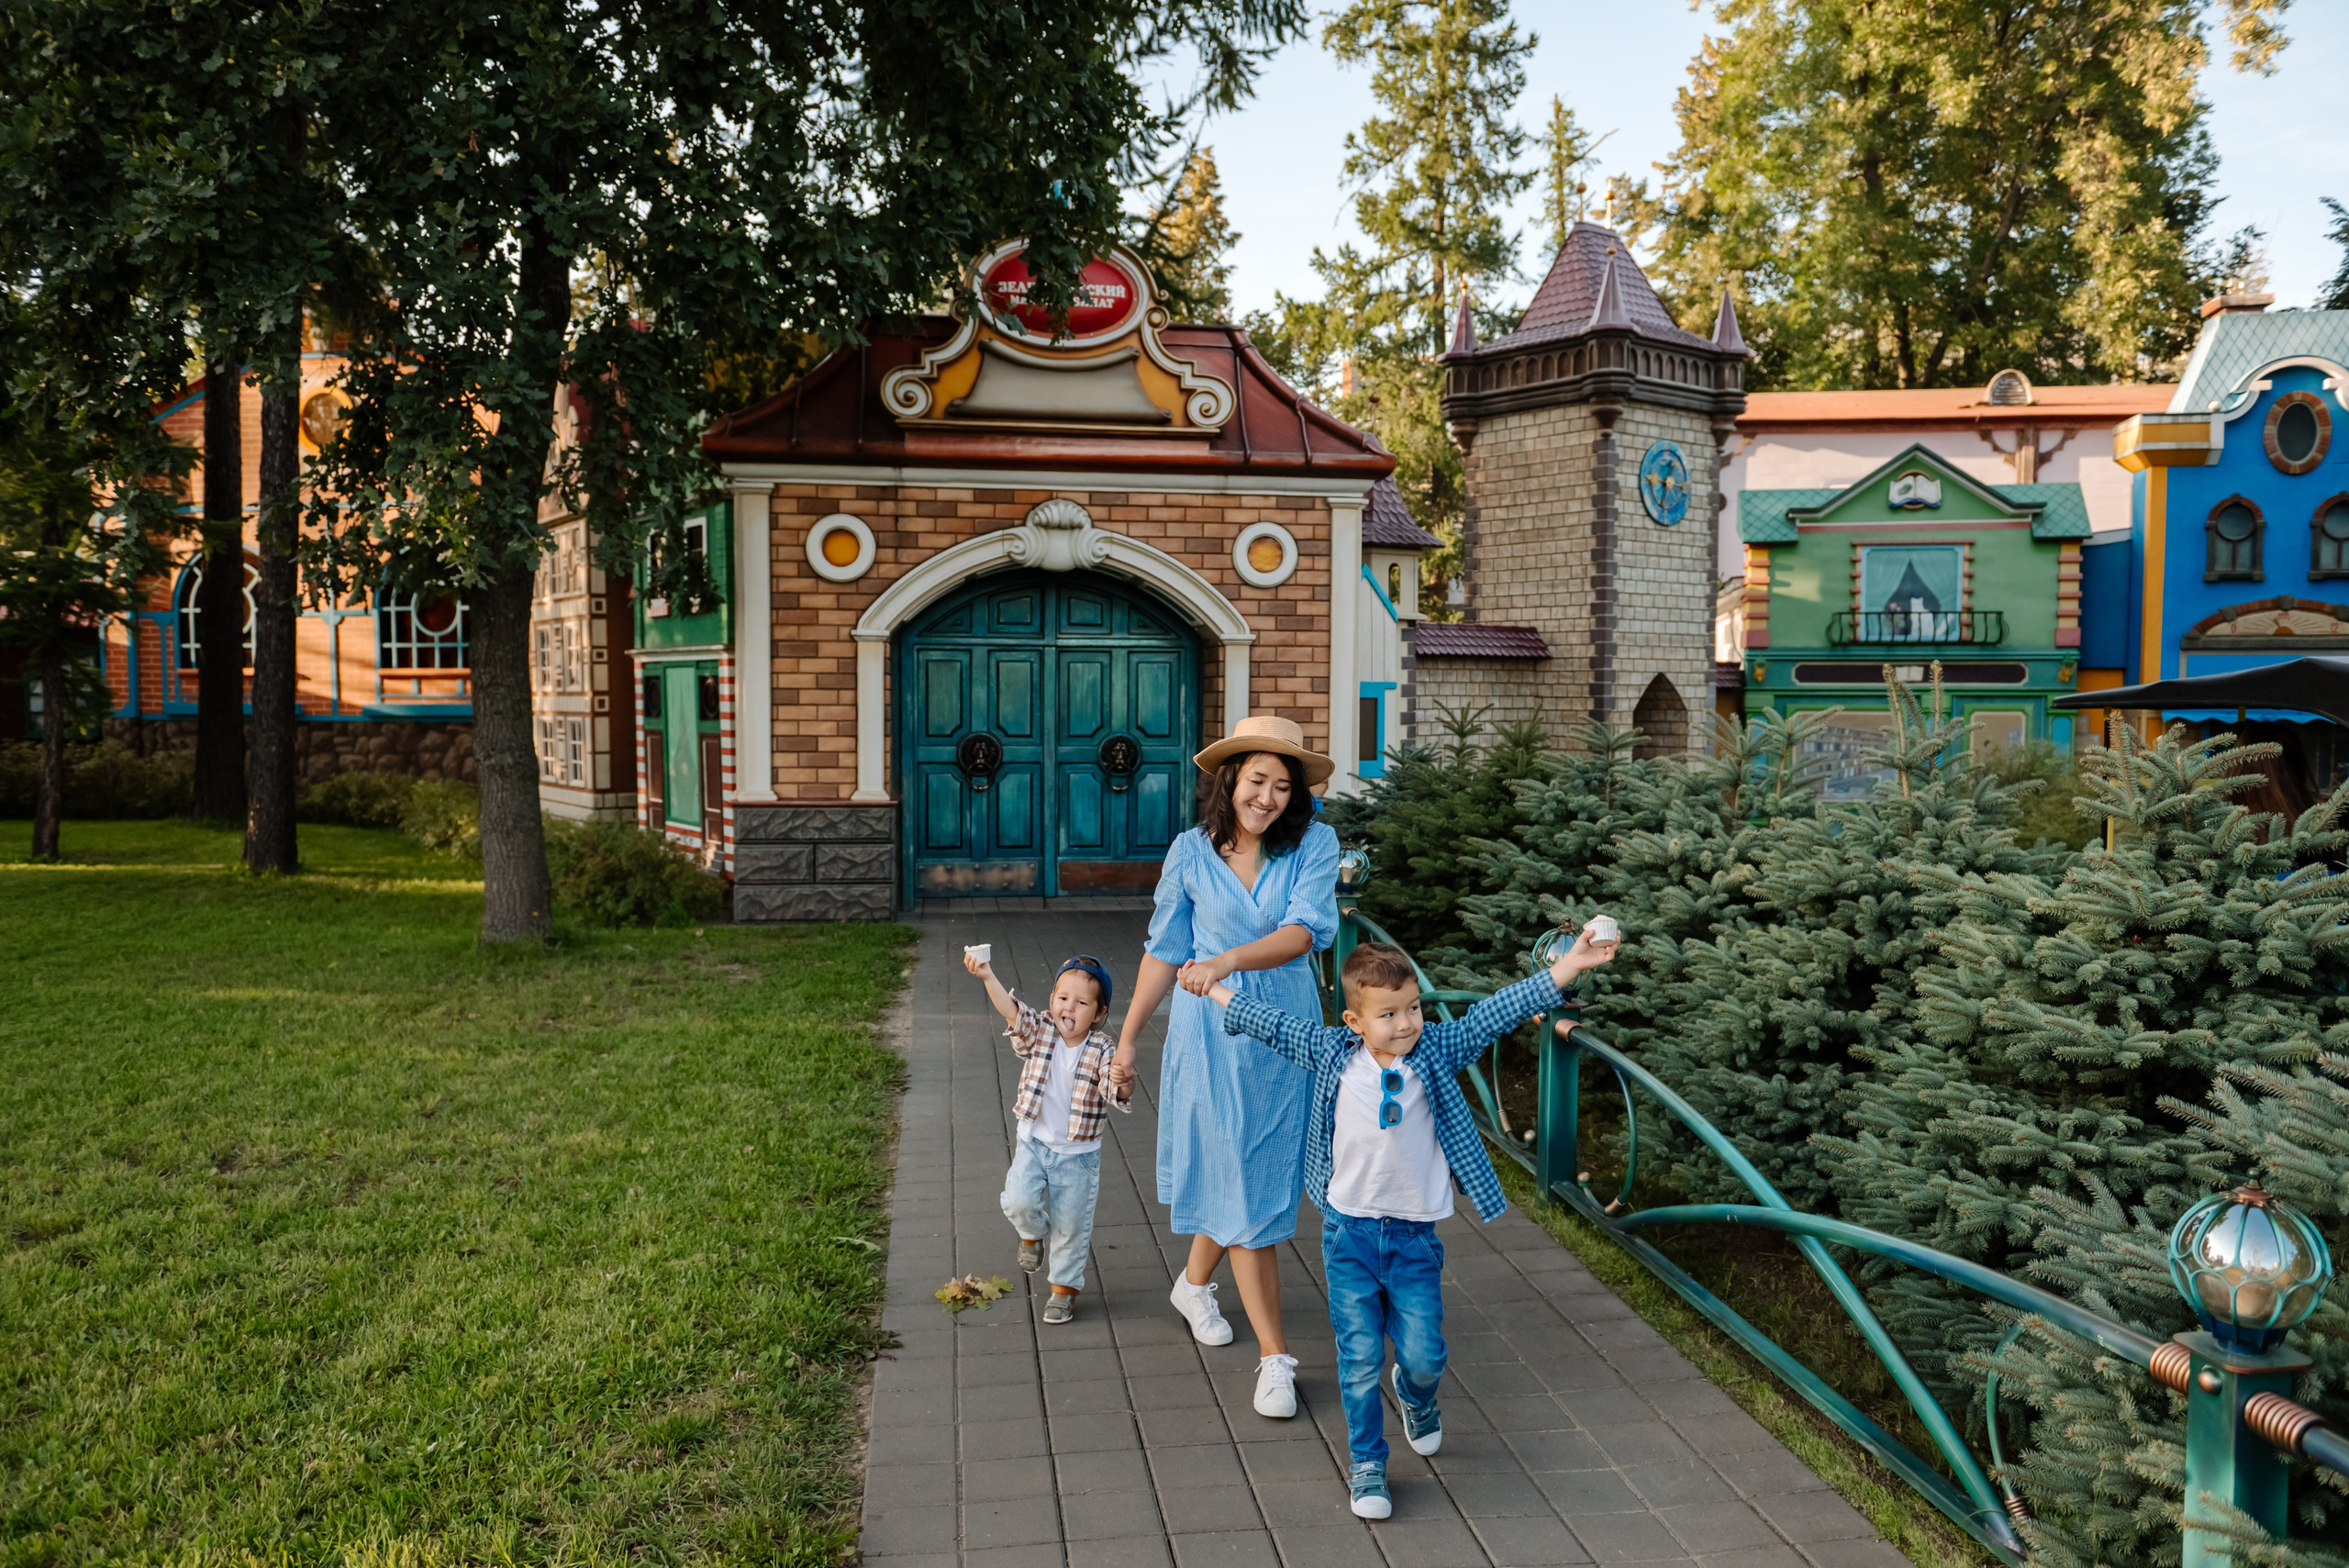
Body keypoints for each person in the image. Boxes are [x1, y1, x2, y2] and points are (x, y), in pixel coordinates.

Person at [1199, 929, 1620, 1519]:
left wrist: (1566, 968)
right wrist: (1213, 987)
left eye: (1413, 1008)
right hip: (1348, 1235)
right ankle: (1367, 1463)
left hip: (1413, 1237)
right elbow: (1270, 1023)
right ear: (1353, 1020)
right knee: (1360, 1354)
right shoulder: (1330, 1052)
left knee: (1423, 1355)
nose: (1406, 1023)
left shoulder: (1436, 1052)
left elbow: (1496, 1012)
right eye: (1389, 1014)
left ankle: (1418, 1395)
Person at [1110, 714, 1339, 1421]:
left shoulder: (1315, 845)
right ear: (1229, 780)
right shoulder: (1189, 851)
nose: (1266, 796)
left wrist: (1226, 961)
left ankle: (1192, 1283)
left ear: (1295, 793)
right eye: (1255, 780)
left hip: (1283, 1033)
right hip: (1208, 1039)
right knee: (1243, 1179)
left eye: (1281, 784)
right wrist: (1126, 1041)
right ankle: (1276, 1357)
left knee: (1255, 1174)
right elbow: (1163, 948)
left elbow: (1304, 931)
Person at [964, 948, 1130, 1325]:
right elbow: (1012, 1012)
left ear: (1099, 1013)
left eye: (1082, 1002)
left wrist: (1122, 1083)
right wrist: (988, 975)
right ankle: (1031, 1233)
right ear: (1052, 1000)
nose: (1068, 1008)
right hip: (1034, 1143)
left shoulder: (1103, 1049)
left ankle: (1063, 1291)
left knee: (1072, 1228)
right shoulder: (1040, 1030)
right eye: (1062, 998)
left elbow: (1113, 1088)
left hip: (1078, 1155)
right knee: (1018, 1201)